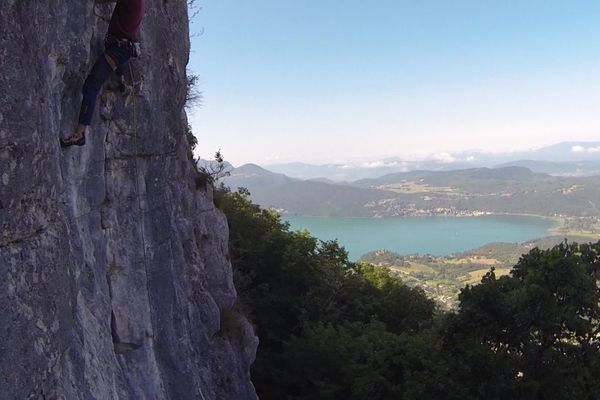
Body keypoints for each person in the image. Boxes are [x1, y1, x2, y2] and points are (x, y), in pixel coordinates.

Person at [61, 0, 145, 147]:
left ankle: (80, 134)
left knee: (91, 85)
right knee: (100, 77)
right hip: (121, 47)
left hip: (118, 48)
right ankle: (121, 78)